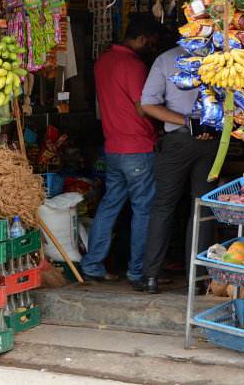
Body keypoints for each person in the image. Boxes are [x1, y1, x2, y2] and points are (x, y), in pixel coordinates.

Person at [80, 15, 161, 284]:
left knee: (109, 205)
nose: (152, 50)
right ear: (140, 39)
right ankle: (139, 272)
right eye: (151, 45)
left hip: (112, 147)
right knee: (143, 210)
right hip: (137, 147)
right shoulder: (133, 64)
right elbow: (143, 107)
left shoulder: (103, 62)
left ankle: (92, 264)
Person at [136, 39, 218, 294]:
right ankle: (198, 279)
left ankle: (150, 277)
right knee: (202, 206)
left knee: (162, 207)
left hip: (177, 141)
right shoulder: (224, 57)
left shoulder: (166, 58)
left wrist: (185, 121)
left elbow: (148, 105)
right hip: (213, 141)